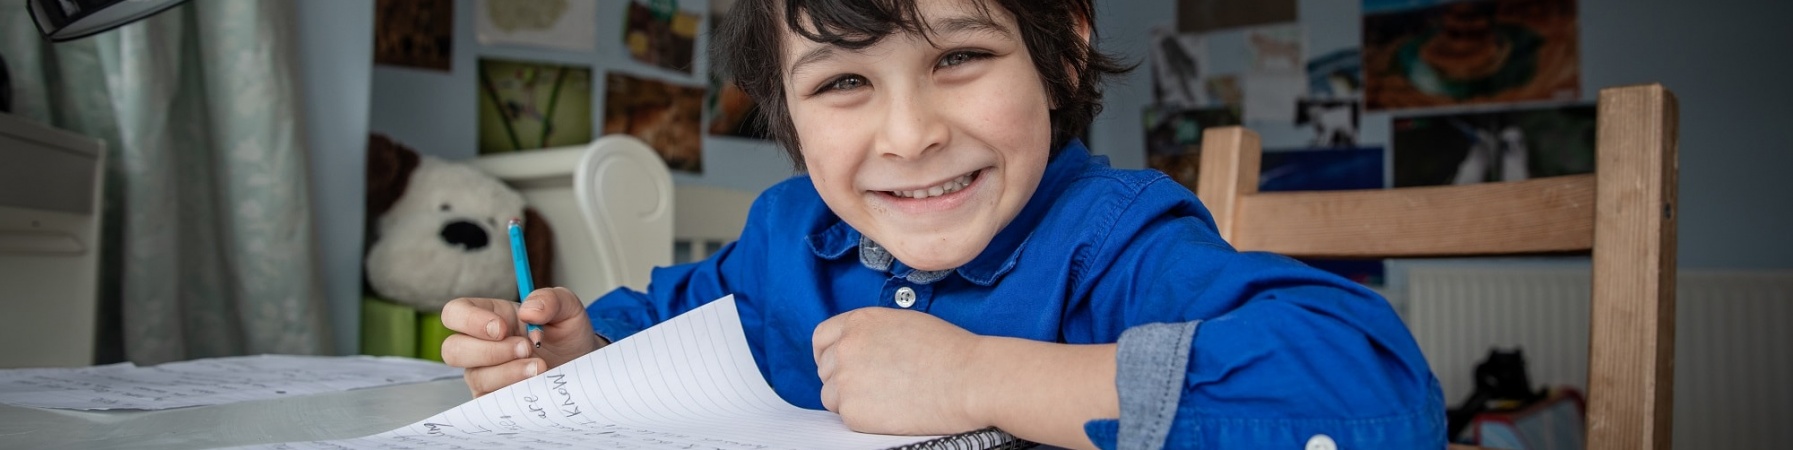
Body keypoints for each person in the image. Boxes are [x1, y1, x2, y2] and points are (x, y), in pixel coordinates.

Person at [440, 0, 1445, 448]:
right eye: (842, 82)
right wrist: (582, 347)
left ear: (1058, 53)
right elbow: (671, 322)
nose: (911, 134)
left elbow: (1373, 391)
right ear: (785, 111)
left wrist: (975, 377)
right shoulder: (781, 236)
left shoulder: (1119, 237)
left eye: (957, 57)